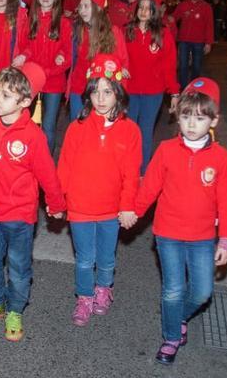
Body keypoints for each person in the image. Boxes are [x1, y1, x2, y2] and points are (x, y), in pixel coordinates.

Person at [126, 77, 227, 365]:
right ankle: (172, 336)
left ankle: (177, 316)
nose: (191, 123)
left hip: (202, 237)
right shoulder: (166, 150)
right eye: (186, 115)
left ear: (214, 121)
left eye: (200, 118)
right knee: (173, 290)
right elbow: (149, 186)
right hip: (168, 234)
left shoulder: (222, 159)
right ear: (177, 114)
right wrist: (134, 211)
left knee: (202, 292)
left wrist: (226, 238)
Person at [0, 63, 66, 342]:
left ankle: (15, 309)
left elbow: (47, 174)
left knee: (19, 267)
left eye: (6, 95)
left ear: (25, 102)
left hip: (20, 217)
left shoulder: (33, 136)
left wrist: (57, 203)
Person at [58, 54, 141, 326]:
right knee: (84, 259)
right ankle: (84, 297)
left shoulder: (130, 131)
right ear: (88, 95)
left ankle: (103, 288)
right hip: (80, 206)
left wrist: (128, 205)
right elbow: (65, 167)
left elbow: (131, 174)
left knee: (106, 257)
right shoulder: (76, 128)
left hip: (110, 208)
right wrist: (58, 200)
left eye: (107, 92)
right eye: (95, 92)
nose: (101, 98)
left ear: (118, 93)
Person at [124, 0, 180, 173]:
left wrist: (174, 92)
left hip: (153, 93)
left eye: (148, 8)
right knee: (129, 132)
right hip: (130, 91)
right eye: (141, 7)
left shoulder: (163, 34)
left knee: (145, 132)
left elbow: (169, 66)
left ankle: (142, 173)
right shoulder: (128, 31)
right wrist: (119, 69)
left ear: (154, 11)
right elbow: (119, 57)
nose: (143, 11)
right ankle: (128, 170)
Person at [15, 0, 71, 154]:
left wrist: (58, 60)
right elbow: (27, 47)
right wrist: (24, 55)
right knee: (27, 122)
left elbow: (68, 53)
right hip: (32, 79)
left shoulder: (64, 23)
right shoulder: (30, 20)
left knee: (48, 126)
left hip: (54, 81)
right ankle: (27, 158)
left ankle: (45, 164)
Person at [67, 0, 127, 121]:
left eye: (86, 6)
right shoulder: (77, 31)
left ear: (98, 8)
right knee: (78, 128)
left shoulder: (113, 32)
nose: (82, 10)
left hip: (101, 92)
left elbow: (122, 63)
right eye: (80, 6)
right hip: (78, 89)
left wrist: (119, 95)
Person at [173, 0, 214, 88]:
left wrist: (208, 43)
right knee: (183, 66)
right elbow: (173, 19)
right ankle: (183, 88)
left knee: (196, 66)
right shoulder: (183, 5)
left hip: (198, 42)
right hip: (184, 41)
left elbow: (209, 25)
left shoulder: (206, 7)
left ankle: (194, 88)